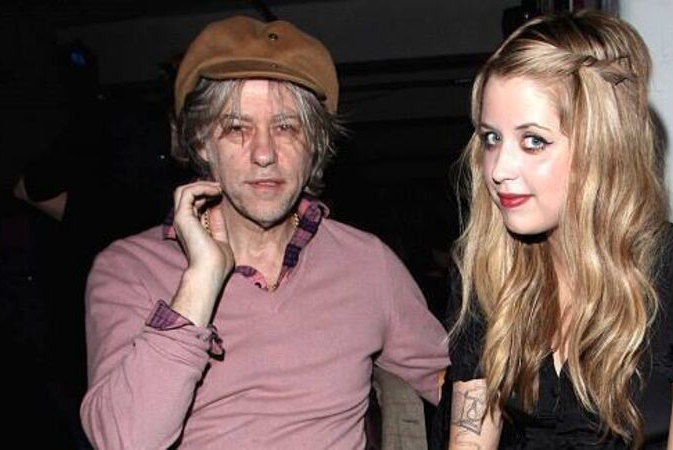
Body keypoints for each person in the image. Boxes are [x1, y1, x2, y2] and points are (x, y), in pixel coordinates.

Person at [80, 16, 449, 449]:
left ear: (315, 145)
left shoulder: (367, 262)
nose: (263, 154)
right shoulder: (128, 269)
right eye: (237, 128)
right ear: (201, 143)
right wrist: (201, 280)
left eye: (286, 127)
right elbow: (123, 440)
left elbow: (456, 380)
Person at [442, 10, 673, 449]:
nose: (499, 169)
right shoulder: (490, 276)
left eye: (533, 141)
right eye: (491, 138)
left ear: (603, 146)